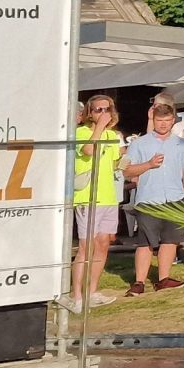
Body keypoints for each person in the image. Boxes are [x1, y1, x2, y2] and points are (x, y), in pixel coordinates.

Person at [122, 97, 184, 296]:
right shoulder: (139, 144)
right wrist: (148, 165)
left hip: (175, 198)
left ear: (173, 120)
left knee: (170, 240)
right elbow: (126, 171)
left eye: (166, 120)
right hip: (149, 199)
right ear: (153, 120)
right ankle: (139, 282)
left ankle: (163, 279)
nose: (163, 124)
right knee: (145, 242)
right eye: (159, 120)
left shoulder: (183, 145)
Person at [70, 95, 124, 309]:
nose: (103, 113)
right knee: (86, 247)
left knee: (103, 245)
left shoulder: (112, 135)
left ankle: (92, 291)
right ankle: (77, 297)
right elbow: (88, 150)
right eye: (98, 110)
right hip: (88, 197)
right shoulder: (81, 132)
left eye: (106, 109)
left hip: (108, 196)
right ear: (89, 113)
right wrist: (99, 127)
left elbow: (115, 164)